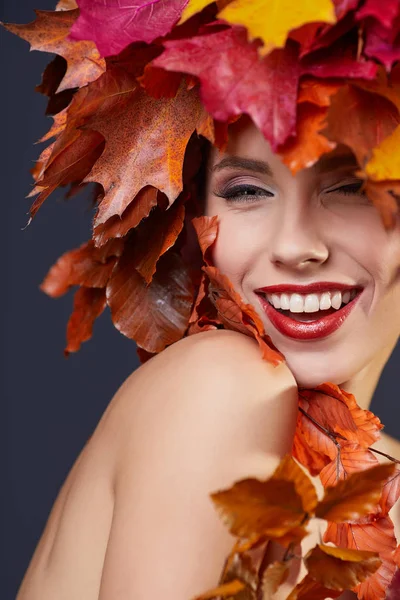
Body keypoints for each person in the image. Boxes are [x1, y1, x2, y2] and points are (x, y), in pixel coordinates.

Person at [6, 1, 400, 599]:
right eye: (246, 190)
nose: (295, 245)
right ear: (192, 216)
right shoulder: (221, 388)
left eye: (349, 187)